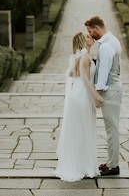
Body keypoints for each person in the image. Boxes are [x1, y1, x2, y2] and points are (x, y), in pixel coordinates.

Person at [54, 32, 104, 182]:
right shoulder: (85, 59)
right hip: (82, 97)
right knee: (84, 130)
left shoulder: (78, 58)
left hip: (76, 96)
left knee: (79, 130)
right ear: (83, 42)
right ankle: (83, 166)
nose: (91, 37)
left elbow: (69, 74)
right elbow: (87, 82)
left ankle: (78, 164)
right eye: (88, 37)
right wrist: (97, 97)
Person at [85, 15, 123, 176]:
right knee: (111, 128)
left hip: (110, 90)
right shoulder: (112, 40)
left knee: (111, 129)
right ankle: (110, 161)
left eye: (90, 31)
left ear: (96, 28)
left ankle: (113, 165)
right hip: (114, 87)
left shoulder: (106, 46)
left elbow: (103, 71)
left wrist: (97, 93)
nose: (90, 35)